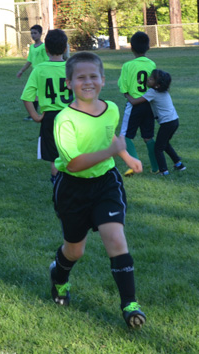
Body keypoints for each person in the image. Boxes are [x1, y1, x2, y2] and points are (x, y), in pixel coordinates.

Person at [50, 51, 146, 330]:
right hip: (73, 189)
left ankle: (130, 305)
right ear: (69, 83)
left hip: (106, 183)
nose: (88, 82)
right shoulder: (65, 119)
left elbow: (109, 136)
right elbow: (74, 164)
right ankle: (59, 277)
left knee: (115, 238)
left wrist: (126, 157)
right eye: (81, 77)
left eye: (94, 76)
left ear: (103, 80)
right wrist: (111, 151)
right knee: (75, 251)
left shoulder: (111, 109)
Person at [20, 29, 73, 184]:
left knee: (54, 157)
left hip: (50, 117)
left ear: (46, 49)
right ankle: (73, 183)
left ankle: (57, 185)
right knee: (72, 152)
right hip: (71, 115)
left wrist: (36, 117)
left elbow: (27, 97)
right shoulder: (72, 68)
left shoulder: (39, 69)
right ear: (65, 48)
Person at [124, 69, 185, 176]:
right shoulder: (163, 91)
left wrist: (126, 94)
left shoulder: (153, 92)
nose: (148, 79)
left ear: (157, 85)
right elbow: (148, 85)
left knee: (158, 148)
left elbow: (134, 102)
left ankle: (163, 171)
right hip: (174, 121)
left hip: (167, 123)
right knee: (165, 144)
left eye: (151, 78)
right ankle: (179, 164)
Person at [117, 31, 159, 175]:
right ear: (148, 47)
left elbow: (123, 86)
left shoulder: (127, 66)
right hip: (148, 105)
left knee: (125, 136)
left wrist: (127, 95)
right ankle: (156, 167)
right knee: (148, 137)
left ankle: (134, 164)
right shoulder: (152, 64)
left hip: (134, 105)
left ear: (131, 48)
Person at [17, 25, 48, 120]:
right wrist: (21, 71)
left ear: (40, 34)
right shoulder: (32, 47)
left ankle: (35, 115)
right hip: (35, 74)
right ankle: (35, 114)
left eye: (35, 33)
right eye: (31, 33)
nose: (33, 35)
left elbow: (47, 60)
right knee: (34, 94)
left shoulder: (43, 47)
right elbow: (29, 61)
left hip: (42, 74)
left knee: (37, 94)